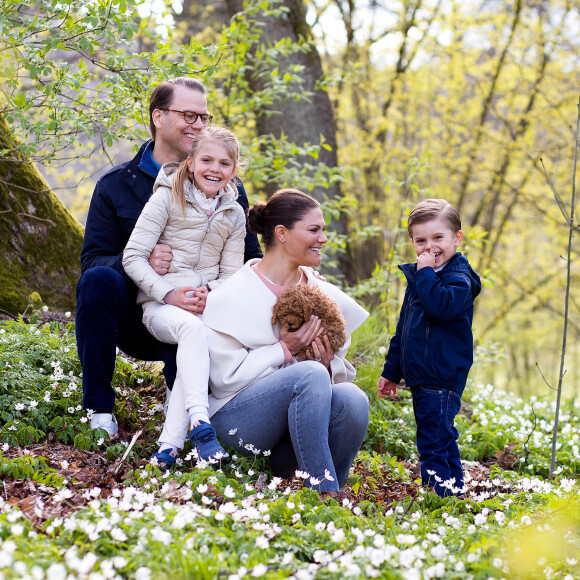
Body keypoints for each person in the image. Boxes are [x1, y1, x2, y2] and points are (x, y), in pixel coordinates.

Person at [76, 78, 262, 436]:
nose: (198, 125)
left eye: (204, 117)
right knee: (98, 280)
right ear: (158, 117)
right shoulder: (115, 185)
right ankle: (99, 410)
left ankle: (189, 404)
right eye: (188, 115)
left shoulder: (227, 192)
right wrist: (146, 261)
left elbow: (247, 259)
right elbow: (93, 261)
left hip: (201, 311)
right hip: (138, 312)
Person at [201, 189, 370, 492]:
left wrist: (327, 364)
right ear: (281, 233)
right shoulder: (232, 293)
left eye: (324, 230)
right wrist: (283, 351)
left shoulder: (321, 292)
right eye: (314, 230)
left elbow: (331, 376)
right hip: (238, 426)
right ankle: (326, 495)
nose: (323, 239)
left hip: (291, 439)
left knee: (353, 399)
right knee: (310, 373)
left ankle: (328, 494)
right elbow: (223, 380)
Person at [123, 126, 245, 463]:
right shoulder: (166, 196)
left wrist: (210, 291)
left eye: (224, 163)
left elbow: (231, 274)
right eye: (206, 160)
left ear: (233, 171)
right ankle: (201, 425)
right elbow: (132, 256)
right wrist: (169, 294)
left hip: (205, 308)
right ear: (190, 162)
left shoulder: (233, 214)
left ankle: (167, 448)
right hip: (161, 309)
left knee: (200, 339)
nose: (214, 169)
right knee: (193, 330)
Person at [377, 198, 481, 497]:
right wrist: (391, 371)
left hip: (442, 374)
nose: (429, 246)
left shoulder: (459, 279)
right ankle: (453, 494)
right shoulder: (421, 277)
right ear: (412, 241)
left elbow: (441, 309)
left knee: (433, 441)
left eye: (438, 238)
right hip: (423, 376)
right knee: (440, 438)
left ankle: (439, 498)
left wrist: (424, 274)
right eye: (420, 240)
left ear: (456, 238)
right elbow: (404, 329)